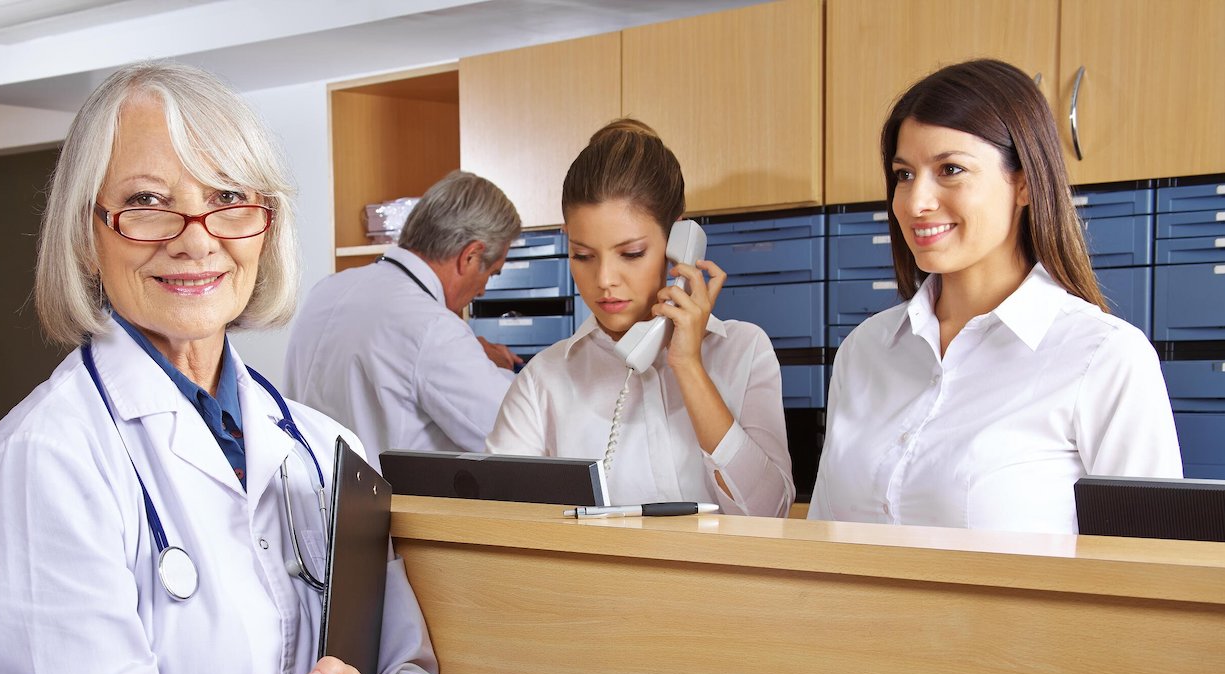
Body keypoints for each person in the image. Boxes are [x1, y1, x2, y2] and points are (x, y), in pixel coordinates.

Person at [0, 62, 456, 674]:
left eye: (229, 198)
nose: (196, 237)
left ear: (265, 224)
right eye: (147, 201)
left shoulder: (329, 452)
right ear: (87, 232)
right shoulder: (45, 462)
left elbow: (406, 671)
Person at [808, 59, 1181, 533]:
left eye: (950, 169)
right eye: (904, 175)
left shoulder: (1104, 357)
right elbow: (822, 538)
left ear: (1023, 183)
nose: (915, 201)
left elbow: (1149, 571)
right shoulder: (865, 351)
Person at [486, 119, 794, 517]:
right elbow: (497, 527)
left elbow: (772, 514)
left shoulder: (744, 351)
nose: (604, 280)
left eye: (630, 253)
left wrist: (688, 366)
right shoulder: (543, 381)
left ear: (678, 243)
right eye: (583, 255)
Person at [284, 170, 522, 469]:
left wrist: (471, 352)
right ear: (471, 256)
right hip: (385, 511)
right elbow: (515, 434)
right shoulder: (432, 327)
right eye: (491, 272)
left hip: (308, 506)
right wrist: (498, 368)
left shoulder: (326, 290)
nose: (484, 289)